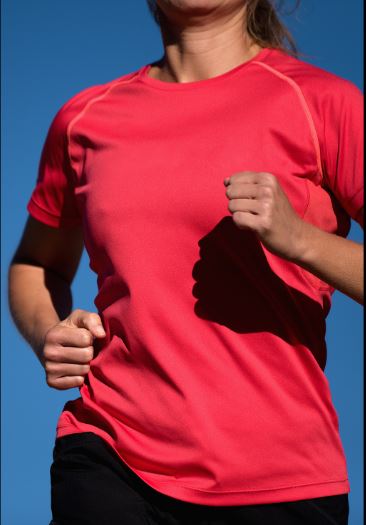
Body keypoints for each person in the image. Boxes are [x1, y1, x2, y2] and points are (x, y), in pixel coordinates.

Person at [8, 0, 363, 523]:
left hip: (279, 479)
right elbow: (36, 265)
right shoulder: (84, 118)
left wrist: (302, 239)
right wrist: (48, 334)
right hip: (109, 452)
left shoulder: (323, 102)